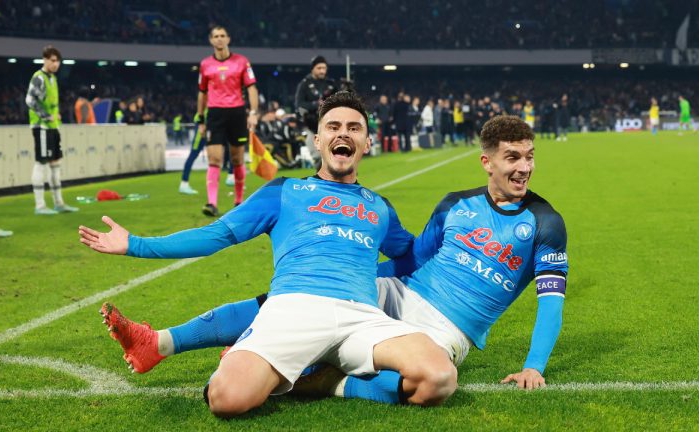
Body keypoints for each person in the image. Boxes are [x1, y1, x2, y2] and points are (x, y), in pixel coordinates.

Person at [94, 115, 567, 404]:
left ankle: (318, 383)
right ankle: (163, 341)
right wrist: (351, 278)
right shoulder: (453, 205)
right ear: (488, 162)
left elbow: (550, 301)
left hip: (447, 327)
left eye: (528, 157)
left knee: (431, 382)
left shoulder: (546, 224)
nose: (522, 167)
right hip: (398, 293)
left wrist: (535, 365)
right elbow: (413, 259)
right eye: (511, 157)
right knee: (305, 296)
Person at [80, 91, 457, 417]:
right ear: (318, 140)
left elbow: (410, 256)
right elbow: (217, 235)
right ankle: (249, 355)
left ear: (367, 143)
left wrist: (452, 228)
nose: (344, 133)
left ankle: (327, 382)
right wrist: (136, 245)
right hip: (293, 309)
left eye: (354, 128)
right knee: (227, 400)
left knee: (438, 378)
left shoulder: (380, 207)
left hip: (363, 317)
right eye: (333, 126)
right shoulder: (285, 190)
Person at [195, 26, 259, 216]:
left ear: (228, 39)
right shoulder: (205, 64)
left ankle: (239, 202)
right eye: (216, 36)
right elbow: (202, 93)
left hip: (237, 113)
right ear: (211, 40)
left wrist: (253, 112)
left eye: (223, 36)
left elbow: (252, 88)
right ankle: (212, 203)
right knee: (214, 159)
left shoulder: (242, 62)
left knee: (237, 158)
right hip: (215, 114)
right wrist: (200, 118)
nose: (220, 39)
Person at [24, 45, 79, 215]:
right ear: (45, 60)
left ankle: (59, 203)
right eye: (53, 61)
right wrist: (46, 115)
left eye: (58, 61)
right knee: (41, 163)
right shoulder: (39, 77)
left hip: (53, 127)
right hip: (42, 127)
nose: (56, 64)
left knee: (56, 164)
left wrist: (56, 115)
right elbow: (30, 100)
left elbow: (50, 101)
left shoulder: (52, 79)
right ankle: (40, 206)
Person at [295, 55, 337, 163]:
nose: (322, 71)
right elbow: (299, 105)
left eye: (324, 68)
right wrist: (315, 105)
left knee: (337, 157)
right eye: (319, 68)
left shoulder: (331, 84)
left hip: (331, 126)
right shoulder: (304, 84)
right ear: (312, 68)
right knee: (319, 159)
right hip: (312, 126)